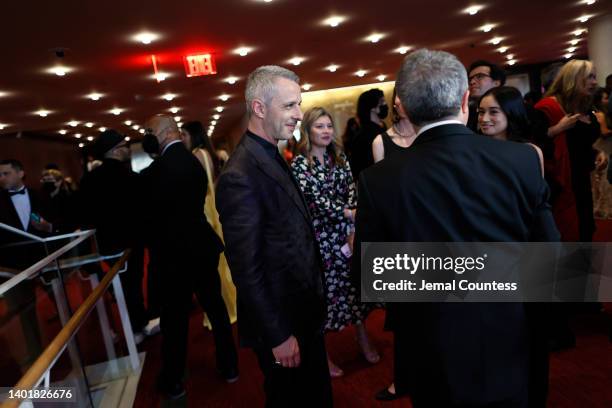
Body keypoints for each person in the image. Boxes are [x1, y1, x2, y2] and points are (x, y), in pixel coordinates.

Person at [352, 49, 560, 407]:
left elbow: (368, 278)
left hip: (431, 345)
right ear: (466, 100)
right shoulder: (521, 160)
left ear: (406, 108)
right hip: (510, 334)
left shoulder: (379, 181)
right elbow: (554, 259)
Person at [216, 65, 332, 407]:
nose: (299, 114)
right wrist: (278, 335)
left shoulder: (269, 152)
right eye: (289, 106)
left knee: (312, 395)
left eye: (298, 104)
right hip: (282, 324)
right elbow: (246, 268)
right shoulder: (240, 174)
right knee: (291, 398)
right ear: (259, 108)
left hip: (300, 312)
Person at [143, 115, 238, 399]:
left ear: (164, 132)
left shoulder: (155, 171)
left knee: (175, 320)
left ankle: (173, 380)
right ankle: (230, 366)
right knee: (216, 310)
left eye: (149, 130)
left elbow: (151, 218)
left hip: (173, 256)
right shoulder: (194, 162)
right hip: (201, 247)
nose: (146, 135)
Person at [291, 107, 379, 379]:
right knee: (327, 298)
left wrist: (352, 221)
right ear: (307, 130)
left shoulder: (339, 157)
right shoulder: (299, 164)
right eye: (319, 126)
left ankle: (363, 339)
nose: (326, 131)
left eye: (329, 125)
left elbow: (353, 190)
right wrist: (348, 212)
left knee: (355, 289)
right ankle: (323, 356)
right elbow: (313, 200)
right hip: (319, 239)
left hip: (346, 234)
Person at [78, 130, 149, 344]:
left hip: (106, 244)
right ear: (116, 151)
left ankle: (135, 325)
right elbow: (142, 211)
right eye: (125, 146)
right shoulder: (131, 177)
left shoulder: (89, 180)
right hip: (132, 242)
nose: (128, 149)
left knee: (120, 285)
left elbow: (84, 214)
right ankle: (137, 327)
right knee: (133, 284)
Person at [534, 59, 601, 242]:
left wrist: (597, 152)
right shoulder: (547, 107)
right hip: (560, 183)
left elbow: (583, 141)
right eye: (589, 77)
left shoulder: (584, 105)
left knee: (585, 230)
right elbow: (531, 144)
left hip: (582, 179)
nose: (594, 82)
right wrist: (556, 129)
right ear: (573, 79)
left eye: (594, 77)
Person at [180, 121, 237, 328]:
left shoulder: (198, 154)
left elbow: (203, 188)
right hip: (210, 207)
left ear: (193, 136)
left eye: (184, 135)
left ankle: (229, 307)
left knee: (218, 265)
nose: (182, 139)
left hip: (206, 209)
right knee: (220, 263)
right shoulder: (205, 153)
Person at [348, 88, 388, 179]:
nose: (385, 105)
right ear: (373, 107)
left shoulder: (382, 128)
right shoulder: (364, 136)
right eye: (382, 102)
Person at [372, 88, 417, 163]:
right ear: (395, 101)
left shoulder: (427, 133)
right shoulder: (380, 142)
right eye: (401, 95)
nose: (406, 101)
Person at [467, 60, 506, 131]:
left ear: (496, 83)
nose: (472, 82)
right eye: (470, 79)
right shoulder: (469, 111)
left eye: (479, 76)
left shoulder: (509, 108)